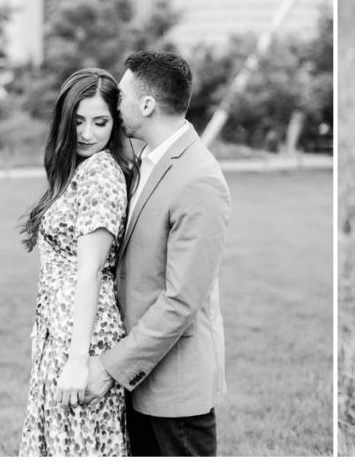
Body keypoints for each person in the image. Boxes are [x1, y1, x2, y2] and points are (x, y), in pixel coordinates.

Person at [83, 51, 231, 456]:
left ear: (147, 104)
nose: (116, 104)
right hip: (142, 382)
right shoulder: (145, 163)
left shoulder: (199, 179)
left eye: (123, 96)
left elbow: (181, 300)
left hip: (176, 391)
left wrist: (111, 367)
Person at [19, 68, 136, 456]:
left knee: (79, 445)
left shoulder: (101, 171)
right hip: (61, 326)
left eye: (100, 122)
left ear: (115, 123)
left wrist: (77, 359)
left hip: (81, 333)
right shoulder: (78, 171)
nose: (87, 133)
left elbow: (90, 271)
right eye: (78, 121)